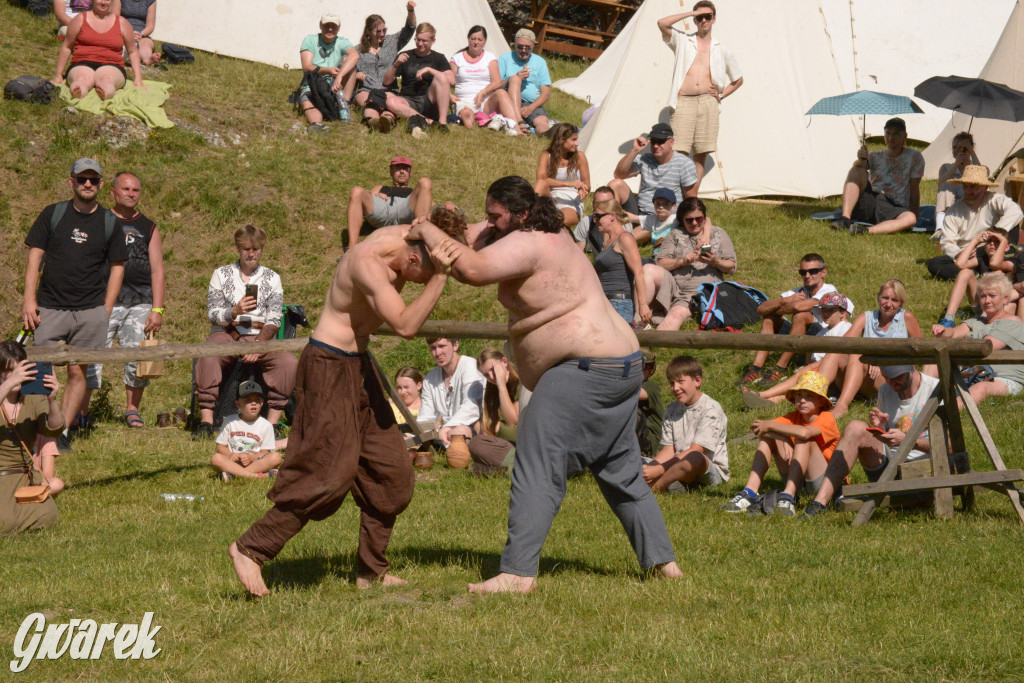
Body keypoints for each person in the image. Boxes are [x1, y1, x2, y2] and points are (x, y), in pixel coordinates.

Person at [410, 176, 682, 593]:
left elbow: (473, 268)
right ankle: (665, 565)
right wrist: (457, 226)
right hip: (621, 366)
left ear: (519, 215)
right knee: (620, 470)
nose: (490, 223)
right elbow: (474, 243)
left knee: (536, 464)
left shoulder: (532, 241)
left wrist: (422, 226)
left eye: (496, 216)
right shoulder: (547, 233)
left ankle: (518, 573)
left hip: (583, 370)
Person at [228, 209, 465, 597]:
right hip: (327, 366)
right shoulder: (369, 262)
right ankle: (251, 548)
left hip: (358, 366)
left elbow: (436, 220)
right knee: (326, 474)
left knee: (392, 473)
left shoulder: (413, 237)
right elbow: (406, 326)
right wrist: (439, 277)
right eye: (430, 271)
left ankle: (370, 571)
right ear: (415, 258)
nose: (428, 281)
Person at [22, 158, 127, 453]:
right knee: (42, 370)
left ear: (102, 184)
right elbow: (34, 259)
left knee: (78, 372)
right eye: (82, 179)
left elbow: (118, 267)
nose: (88, 184)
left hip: (90, 310)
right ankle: (38, 426)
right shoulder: (52, 214)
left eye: (94, 179)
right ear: (72, 182)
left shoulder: (109, 222)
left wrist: (106, 308)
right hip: (50, 307)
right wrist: (29, 300)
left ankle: (61, 432)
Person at [192, 225, 298, 440]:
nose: (251, 254)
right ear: (238, 249)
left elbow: (275, 318)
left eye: (256, 249)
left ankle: (272, 424)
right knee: (209, 354)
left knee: (288, 362)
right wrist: (234, 311)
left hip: (261, 336)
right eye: (246, 249)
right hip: (227, 333)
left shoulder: (272, 277)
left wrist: (257, 345)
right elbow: (213, 314)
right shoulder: (221, 274)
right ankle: (206, 421)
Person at [79, 171, 165, 431]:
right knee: (93, 356)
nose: (131, 194)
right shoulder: (99, 221)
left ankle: (132, 409)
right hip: (102, 301)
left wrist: (157, 309)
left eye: (135, 190)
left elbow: (158, 270)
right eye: (125, 189)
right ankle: (81, 411)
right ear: (113, 192)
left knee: (139, 356)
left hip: (140, 301)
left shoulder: (148, 226)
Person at [800, 364, 939, 517]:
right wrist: (880, 428)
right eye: (887, 377)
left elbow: (950, 446)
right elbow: (890, 441)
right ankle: (820, 502)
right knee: (855, 428)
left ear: (911, 367)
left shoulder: (935, 390)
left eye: (896, 377)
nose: (891, 383)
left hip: (924, 473)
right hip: (892, 470)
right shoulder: (886, 390)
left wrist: (910, 441)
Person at [721, 370, 839, 516]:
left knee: (804, 441)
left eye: (809, 396)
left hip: (823, 482)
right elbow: (761, 428)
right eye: (799, 395)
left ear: (821, 401)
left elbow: (804, 433)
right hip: (799, 476)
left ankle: (788, 496)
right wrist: (783, 439)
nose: (802, 400)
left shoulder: (827, 418)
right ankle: (750, 491)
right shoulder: (793, 417)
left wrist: (773, 428)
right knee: (768, 437)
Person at [657, 1, 743, 193]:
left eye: (707, 17)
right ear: (695, 20)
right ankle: (675, 197)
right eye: (700, 17)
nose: (704, 20)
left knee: (701, 154)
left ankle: (691, 199)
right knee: (677, 152)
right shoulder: (683, 41)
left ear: (714, 19)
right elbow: (662, 23)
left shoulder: (722, 49)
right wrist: (690, 12)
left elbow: (738, 79)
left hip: (707, 102)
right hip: (683, 101)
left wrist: (720, 95)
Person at [735, 253, 845, 387]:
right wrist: (784, 301)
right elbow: (761, 309)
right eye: (803, 272)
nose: (807, 275)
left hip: (820, 339)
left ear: (823, 272)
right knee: (769, 318)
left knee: (800, 315)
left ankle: (780, 368)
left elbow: (799, 306)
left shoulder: (829, 291)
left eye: (813, 271)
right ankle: (756, 368)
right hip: (797, 336)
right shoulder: (798, 291)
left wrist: (782, 307)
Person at [818, 279, 920, 419]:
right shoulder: (867, 317)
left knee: (856, 352)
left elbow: (920, 351)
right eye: (885, 298)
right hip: (868, 375)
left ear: (901, 303)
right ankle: (816, 395)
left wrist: (880, 362)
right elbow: (842, 344)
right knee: (839, 353)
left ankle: (841, 405)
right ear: (878, 297)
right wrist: (871, 358)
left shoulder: (906, 318)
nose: (888, 304)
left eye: (894, 300)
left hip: (894, 376)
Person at [741, 291, 853, 408]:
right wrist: (809, 365)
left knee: (801, 375)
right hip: (817, 369)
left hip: (831, 374)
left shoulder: (846, 329)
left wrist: (810, 367)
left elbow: (839, 357)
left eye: (830, 310)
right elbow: (811, 353)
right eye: (823, 310)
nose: (825, 313)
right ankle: (772, 400)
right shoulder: (823, 331)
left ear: (842, 312)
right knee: (803, 384)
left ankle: (763, 394)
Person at [0, 342, 65, 534]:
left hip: (24, 477)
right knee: (5, 520)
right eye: (7, 370)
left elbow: (53, 430)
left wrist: (52, 400)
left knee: (48, 515)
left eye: (17, 370)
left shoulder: (32, 397)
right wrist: (9, 384)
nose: (13, 375)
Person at [932, 272, 1024, 404]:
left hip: (1005, 378)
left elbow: (984, 347)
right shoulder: (977, 320)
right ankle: (922, 398)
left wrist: (960, 343)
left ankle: (946, 417)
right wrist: (942, 331)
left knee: (982, 387)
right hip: (975, 373)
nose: (987, 301)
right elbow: (954, 333)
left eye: (992, 296)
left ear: (1005, 299)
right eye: (983, 296)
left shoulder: (1013, 322)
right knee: (933, 362)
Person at [642, 355, 729, 492]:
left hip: (705, 470)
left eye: (681, 381)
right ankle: (671, 483)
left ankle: (654, 487)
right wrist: (651, 468)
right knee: (639, 461)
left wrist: (659, 469)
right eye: (672, 383)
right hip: (675, 465)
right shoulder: (672, 408)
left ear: (697, 381)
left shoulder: (711, 408)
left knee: (694, 458)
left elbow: (697, 450)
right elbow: (668, 450)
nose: (675, 388)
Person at [648, 196, 735, 330]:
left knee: (675, 316)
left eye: (698, 219)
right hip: (673, 285)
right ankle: (638, 317)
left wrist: (715, 261)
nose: (694, 223)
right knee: (648, 269)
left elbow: (731, 266)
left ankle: (651, 346)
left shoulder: (718, 233)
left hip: (699, 290)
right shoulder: (675, 235)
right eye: (689, 220)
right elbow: (660, 263)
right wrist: (682, 261)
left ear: (704, 219)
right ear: (682, 221)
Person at [927, 165, 1023, 282]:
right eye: (965, 187)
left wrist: (993, 233)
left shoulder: (994, 199)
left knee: (1012, 227)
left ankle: (988, 269)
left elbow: (1016, 211)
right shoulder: (954, 211)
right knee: (935, 263)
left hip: (992, 248)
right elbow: (947, 242)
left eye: (973, 187)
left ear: (985, 187)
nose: (968, 191)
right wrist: (961, 253)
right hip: (968, 254)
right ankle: (977, 273)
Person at [830, 117, 923, 236]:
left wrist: (916, 214)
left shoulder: (915, 157)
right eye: (888, 133)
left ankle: (865, 231)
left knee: (910, 218)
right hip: (872, 200)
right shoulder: (875, 156)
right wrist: (860, 159)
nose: (890, 138)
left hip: (894, 206)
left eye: (895, 134)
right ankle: (845, 219)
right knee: (856, 169)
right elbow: (858, 170)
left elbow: (915, 187)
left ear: (905, 135)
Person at [347, 3, 417, 132]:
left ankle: (385, 121)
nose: (382, 34)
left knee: (387, 102)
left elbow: (410, 28)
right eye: (378, 31)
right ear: (368, 31)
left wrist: (410, 10)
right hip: (366, 89)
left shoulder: (392, 42)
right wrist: (355, 74)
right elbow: (345, 68)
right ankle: (375, 121)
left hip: (388, 89)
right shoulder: (358, 50)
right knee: (368, 100)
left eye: (384, 30)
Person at [53, 0, 144, 100]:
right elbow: (67, 47)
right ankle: (79, 91)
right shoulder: (79, 19)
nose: (104, 2)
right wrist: (58, 75)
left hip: (112, 64)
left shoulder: (122, 22)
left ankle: (104, 91)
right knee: (81, 78)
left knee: (107, 80)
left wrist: (138, 79)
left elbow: (133, 51)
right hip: (82, 62)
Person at [610, 122, 698, 218]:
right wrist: (635, 151)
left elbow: (691, 198)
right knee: (615, 184)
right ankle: (611, 223)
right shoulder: (644, 159)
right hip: (640, 212)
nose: (656, 146)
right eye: (653, 141)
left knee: (635, 231)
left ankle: (621, 231)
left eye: (660, 141)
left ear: (672, 142)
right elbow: (619, 175)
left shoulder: (684, 164)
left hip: (666, 217)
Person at [418, 337, 485, 460]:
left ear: (455, 345)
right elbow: (426, 416)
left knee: (459, 432)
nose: (437, 353)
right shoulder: (430, 379)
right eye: (433, 348)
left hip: (472, 426)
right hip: (445, 431)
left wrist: (446, 428)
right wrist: (421, 433)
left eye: (442, 346)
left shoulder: (470, 366)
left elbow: (471, 407)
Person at [937, 229, 1018, 329]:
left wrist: (1003, 240)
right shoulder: (982, 260)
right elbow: (959, 264)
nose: (992, 244)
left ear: (1006, 247)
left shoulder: (1010, 262)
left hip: (998, 307)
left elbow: (995, 264)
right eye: (989, 242)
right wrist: (975, 241)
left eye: (997, 242)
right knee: (965, 272)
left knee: (997, 273)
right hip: (980, 303)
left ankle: (982, 322)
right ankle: (949, 318)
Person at [346, 156, 433, 249]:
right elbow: (366, 202)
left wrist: (447, 206)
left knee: (425, 181)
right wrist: (377, 196)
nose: (402, 171)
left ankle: (421, 243)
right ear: (391, 172)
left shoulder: (416, 193)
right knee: (356, 191)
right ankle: (351, 249)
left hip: (406, 212)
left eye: (405, 169)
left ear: (410, 173)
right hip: (384, 211)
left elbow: (431, 207)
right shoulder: (379, 188)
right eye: (398, 168)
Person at [384, 22, 453, 138]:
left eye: (424, 41)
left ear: (433, 41)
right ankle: (428, 121)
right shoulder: (405, 55)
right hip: (408, 99)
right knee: (391, 102)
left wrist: (430, 70)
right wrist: (395, 65)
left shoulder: (439, 58)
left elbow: (451, 80)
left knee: (441, 77)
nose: (420, 44)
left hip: (429, 100)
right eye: (417, 39)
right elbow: (387, 82)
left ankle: (442, 123)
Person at [591, 198, 650, 325]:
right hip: (606, 302)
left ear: (612, 216)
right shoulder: (608, 242)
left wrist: (643, 304)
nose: (595, 220)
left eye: (598, 216)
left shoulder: (625, 238)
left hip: (619, 303)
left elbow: (638, 272)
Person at [298, 13, 359, 133]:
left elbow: (355, 55)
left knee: (350, 63)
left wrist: (340, 75)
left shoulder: (342, 42)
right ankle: (317, 124)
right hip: (312, 84)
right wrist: (329, 70)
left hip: (332, 86)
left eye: (333, 26)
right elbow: (307, 68)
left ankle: (343, 104)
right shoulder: (310, 40)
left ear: (339, 28)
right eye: (327, 25)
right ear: (320, 25)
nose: (330, 29)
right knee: (308, 101)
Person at [211, 381, 282, 482]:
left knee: (276, 457)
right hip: (233, 461)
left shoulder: (266, 425)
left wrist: (251, 458)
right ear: (238, 404)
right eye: (248, 400)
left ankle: (234, 474)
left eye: (257, 400)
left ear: (262, 403)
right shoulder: (230, 421)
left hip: (255, 463)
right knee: (216, 458)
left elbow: (265, 452)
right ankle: (258, 476)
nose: (253, 403)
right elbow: (220, 447)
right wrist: (231, 455)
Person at [449, 25, 518, 130]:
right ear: (468, 39)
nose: (476, 42)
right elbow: (447, 80)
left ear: (485, 41)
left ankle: (516, 126)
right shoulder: (457, 58)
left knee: (501, 93)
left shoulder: (489, 57)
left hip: (486, 102)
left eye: (479, 39)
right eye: (473, 39)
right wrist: (449, 95)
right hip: (465, 101)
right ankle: (472, 118)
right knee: (466, 111)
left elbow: (496, 81)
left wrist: (483, 92)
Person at [468, 348, 520, 474]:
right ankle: (509, 469)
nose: (491, 377)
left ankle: (507, 469)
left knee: (477, 450)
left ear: (504, 362)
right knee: (476, 443)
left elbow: (513, 422)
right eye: (486, 374)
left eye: (493, 370)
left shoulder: (522, 384)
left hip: (525, 445)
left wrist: (501, 385)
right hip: (508, 447)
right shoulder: (492, 390)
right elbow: (487, 430)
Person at [496, 29, 552, 134]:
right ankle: (519, 123)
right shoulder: (505, 58)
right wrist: (515, 78)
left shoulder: (540, 62)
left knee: (542, 121)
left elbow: (546, 93)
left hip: (531, 103)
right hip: (508, 100)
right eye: (520, 47)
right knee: (515, 79)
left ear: (533, 46)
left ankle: (547, 136)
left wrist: (531, 107)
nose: (523, 50)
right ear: (515, 44)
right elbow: (496, 85)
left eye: (528, 48)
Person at [534, 123, 590, 227]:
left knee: (559, 221)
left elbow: (587, 184)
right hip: (551, 196)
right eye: (573, 140)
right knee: (541, 184)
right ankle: (529, 212)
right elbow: (542, 180)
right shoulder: (547, 155)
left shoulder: (580, 156)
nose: (577, 143)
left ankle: (545, 221)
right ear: (562, 140)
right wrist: (570, 183)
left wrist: (583, 188)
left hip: (571, 199)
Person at [934, 132, 981, 236]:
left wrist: (971, 152)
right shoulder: (946, 167)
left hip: (970, 207)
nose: (957, 151)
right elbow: (941, 184)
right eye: (955, 148)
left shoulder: (975, 167)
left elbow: (982, 177)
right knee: (946, 186)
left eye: (962, 148)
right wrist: (956, 165)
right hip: (950, 207)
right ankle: (940, 228)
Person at [572, 186, 638, 253]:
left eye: (607, 203)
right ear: (593, 204)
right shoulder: (586, 223)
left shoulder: (624, 224)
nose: (602, 207)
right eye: (598, 203)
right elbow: (578, 253)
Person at [636, 349, 664, 458]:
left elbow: (634, 395)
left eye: (645, 367)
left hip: (649, 441)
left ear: (651, 370)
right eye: (636, 366)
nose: (640, 371)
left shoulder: (651, 386)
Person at [119, 0, 158, 66]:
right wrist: (128, 32)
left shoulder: (150, 1)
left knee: (146, 44)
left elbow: (150, 25)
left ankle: (147, 59)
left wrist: (141, 34)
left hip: (141, 34)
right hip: (122, 31)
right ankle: (131, 57)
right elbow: (114, 17)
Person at [643, 187, 679, 256]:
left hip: (670, 258)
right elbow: (632, 217)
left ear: (673, 206)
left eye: (666, 204)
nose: (661, 207)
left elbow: (705, 220)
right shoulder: (652, 219)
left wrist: (705, 236)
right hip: (655, 257)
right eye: (658, 204)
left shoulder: (676, 218)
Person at [54, 0, 121, 35]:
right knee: (66, 31)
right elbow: (60, 15)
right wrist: (82, 27)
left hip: (94, 24)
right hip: (69, 25)